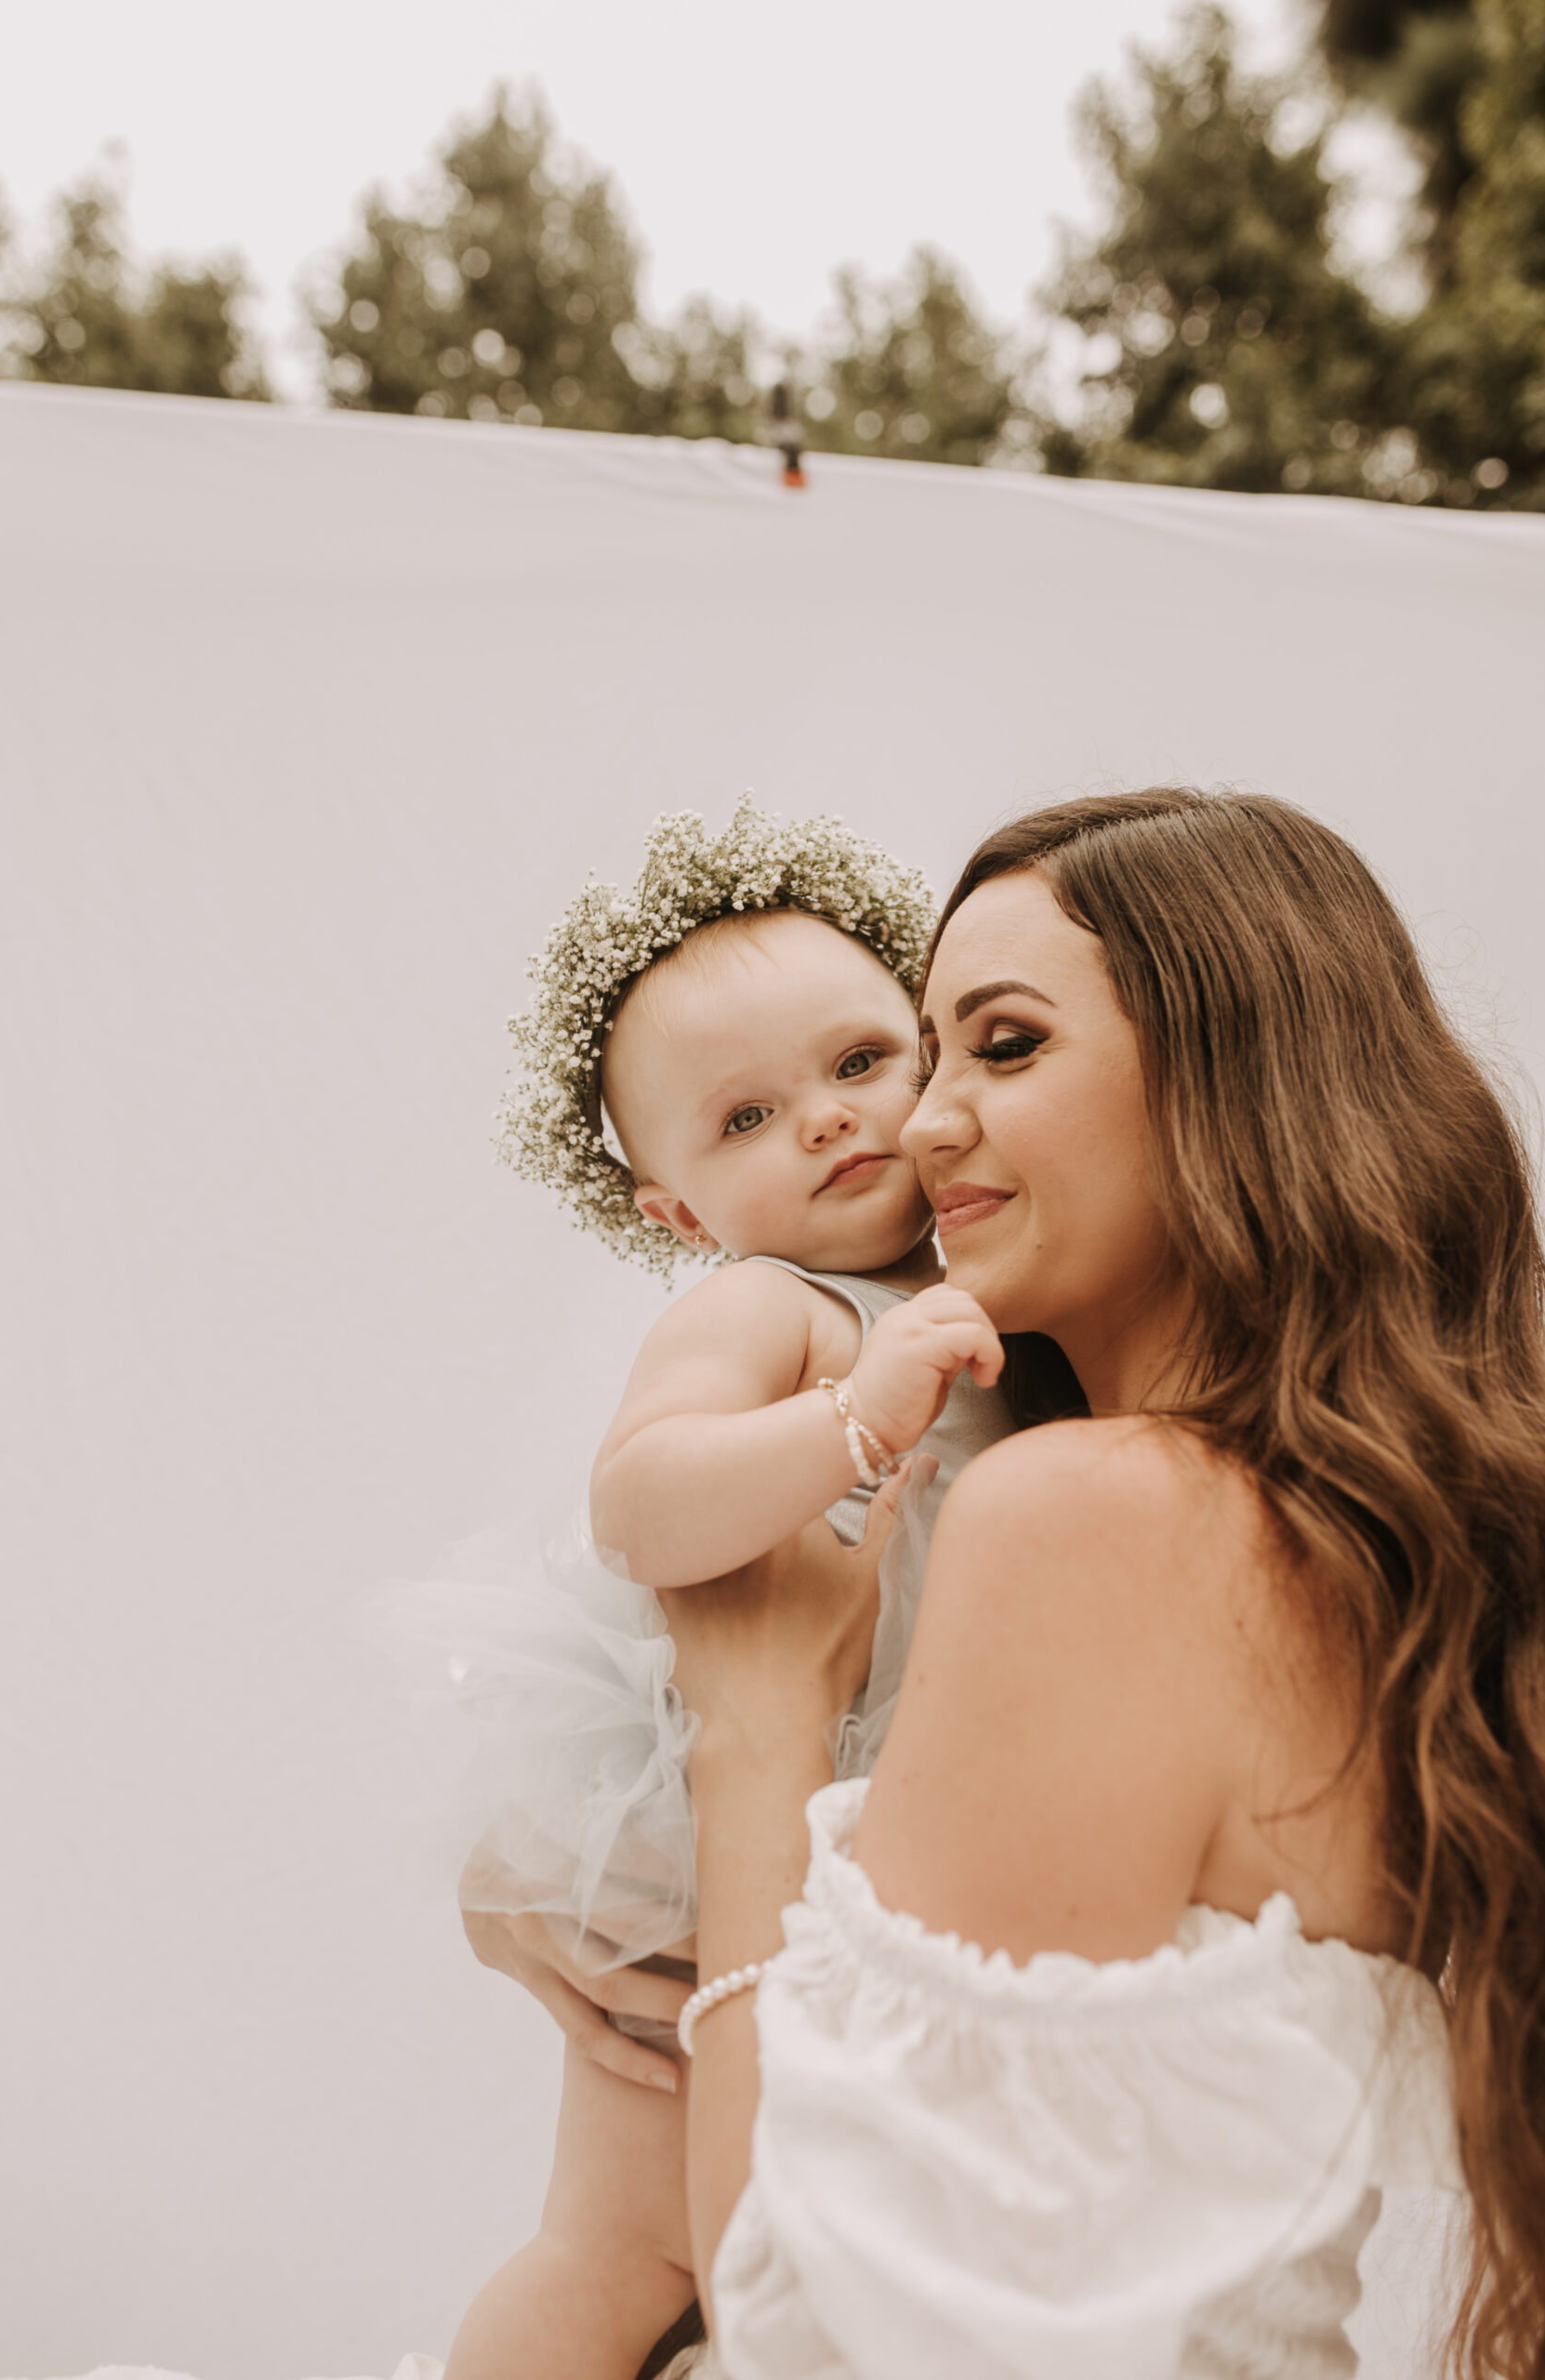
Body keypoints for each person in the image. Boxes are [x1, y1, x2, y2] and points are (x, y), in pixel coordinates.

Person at [484, 788, 1545, 2378]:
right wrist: (540, 1880)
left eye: (995, 1047)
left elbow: (823, 2337)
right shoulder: (1374, 1542)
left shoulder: (1089, 1516)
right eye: (931, 1048)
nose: (908, 1126)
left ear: (1228, 1076)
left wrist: (754, 1726)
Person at [381, 798, 1017, 2380]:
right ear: (679, 1217)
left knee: (823, 2258)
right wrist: (849, 1417)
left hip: (904, 1851)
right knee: (627, 2245)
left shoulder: (997, 1285)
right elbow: (640, 1503)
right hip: (698, 1851)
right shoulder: (774, 1303)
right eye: (743, 1121)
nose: (821, 1121)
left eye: (861, 1064)